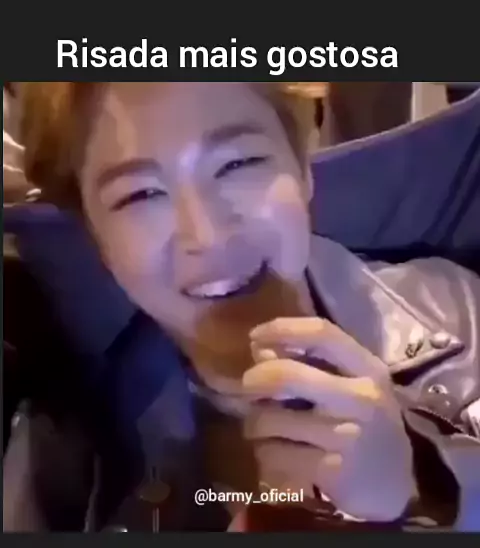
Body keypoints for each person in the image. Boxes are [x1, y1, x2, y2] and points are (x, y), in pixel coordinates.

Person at [3, 82, 480, 532]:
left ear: (302, 171)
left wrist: (424, 496)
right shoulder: (74, 452)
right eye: (140, 194)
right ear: (98, 243)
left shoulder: (459, 315)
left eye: (238, 163)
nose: (208, 236)